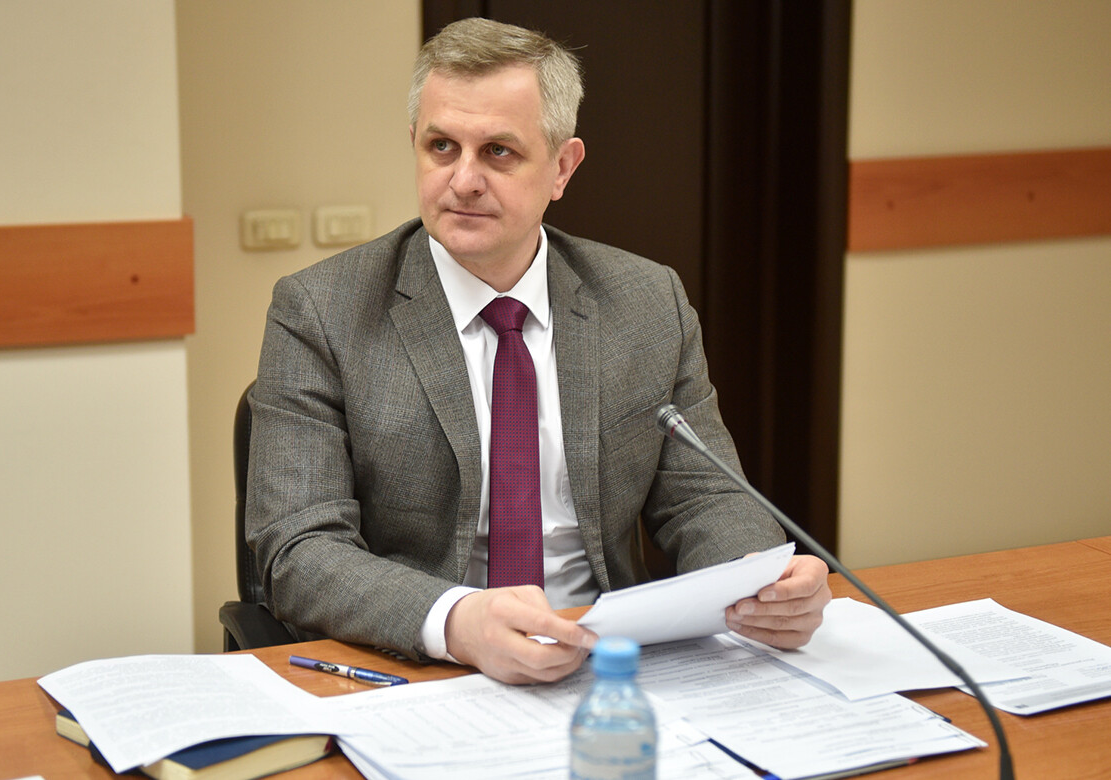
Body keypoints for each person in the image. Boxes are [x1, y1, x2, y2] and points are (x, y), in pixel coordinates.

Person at [246, 17, 831, 685]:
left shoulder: (646, 303)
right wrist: (456, 621)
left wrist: (762, 581)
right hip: (425, 667)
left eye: (498, 151)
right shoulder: (322, 311)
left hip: (607, 660)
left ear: (562, 167)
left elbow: (704, 499)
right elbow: (298, 548)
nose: (463, 180)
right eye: (442, 146)